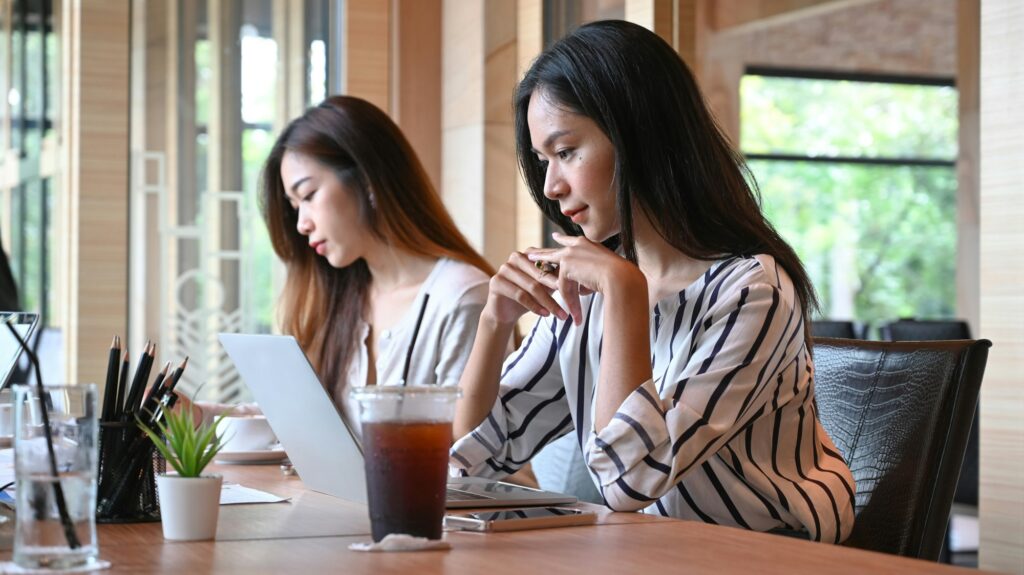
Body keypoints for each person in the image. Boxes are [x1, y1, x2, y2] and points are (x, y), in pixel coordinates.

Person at [450, 20, 855, 543]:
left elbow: (629, 480)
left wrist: (624, 294)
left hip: (772, 552)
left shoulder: (752, 290)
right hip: (656, 549)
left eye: (567, 152)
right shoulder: (589, 282)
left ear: (637, 136)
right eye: (541, 160)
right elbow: (475, 455)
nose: (551, 185)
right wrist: (493, 322)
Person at [258, 95, 496, 432]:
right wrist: (201, 415)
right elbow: (299, 422)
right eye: (294, 206)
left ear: (368, 180)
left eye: (308, 196)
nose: (301, 224)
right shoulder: (342, 299)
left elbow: (467, 454)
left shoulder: (462, 296)